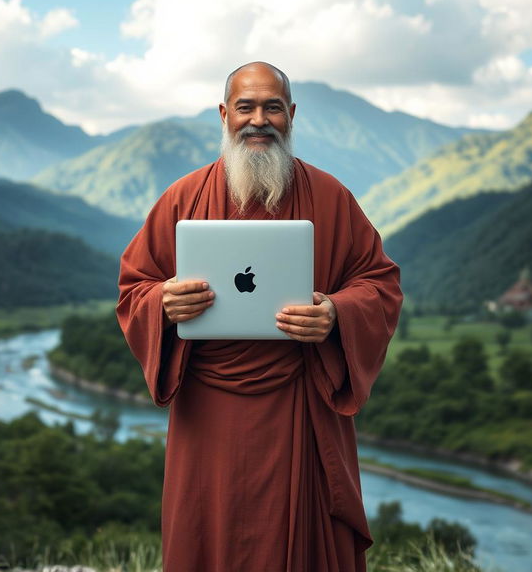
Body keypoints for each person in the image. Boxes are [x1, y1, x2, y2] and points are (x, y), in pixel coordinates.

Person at [116, 61, 403, 572]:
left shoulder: (331, 197)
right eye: (245, 107)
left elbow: (379, 283)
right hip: (206, 413)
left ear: (291, 115)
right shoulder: (184, 198)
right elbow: (133, 287)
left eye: (272, 107)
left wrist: (337, 312)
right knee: (207, 534)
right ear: (224, 115)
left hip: (302, 404)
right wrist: (163, 301)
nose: (258, 119)